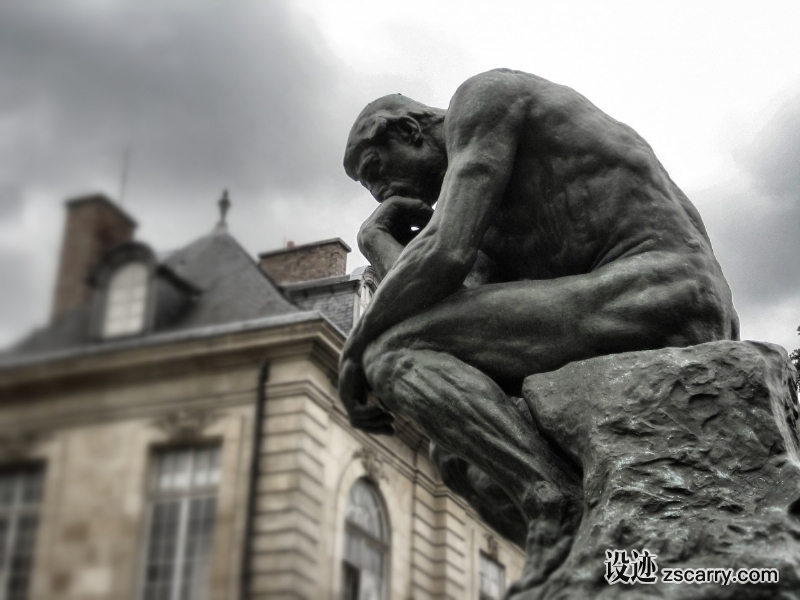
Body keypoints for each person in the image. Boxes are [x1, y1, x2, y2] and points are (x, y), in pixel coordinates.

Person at [339, 68, 738, 585]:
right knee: (461, 454)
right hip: (614, 305)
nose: (380, 193)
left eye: (377, 169)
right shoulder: (484, 220)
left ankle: (553, 502)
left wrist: (356, 347)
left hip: (666, 286)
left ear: (409, 131)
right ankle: (616, 570)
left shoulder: (485, 100)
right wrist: (375, 240)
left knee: (390, 356)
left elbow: (443, 256)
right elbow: (442, 305)